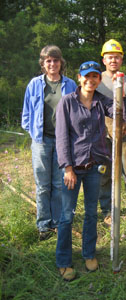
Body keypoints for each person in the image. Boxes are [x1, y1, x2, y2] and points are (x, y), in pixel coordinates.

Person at [55, 61, 126, 281]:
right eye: (86, 76)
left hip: (95, 167)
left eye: (95, 77)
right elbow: (61, 138)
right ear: (79, 78)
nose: (90, 80)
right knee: (67, 216)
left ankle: (89, 254)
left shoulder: (101, 102)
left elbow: (121, 117)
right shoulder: (67, 102)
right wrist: (67, 168)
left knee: (91, 213)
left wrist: (121, 93)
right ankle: (63, 261)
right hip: (73, 168)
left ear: (99, 79)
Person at [21, 45, 77, 241]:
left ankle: (57, 222)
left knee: (59, 183)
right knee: (43, 184)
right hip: (41, 141)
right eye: (48, 61)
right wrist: (33, 132)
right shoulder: (34, 84)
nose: (52, 64)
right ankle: (43, 224)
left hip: (63, 141)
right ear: (43, 64)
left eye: (55, 60)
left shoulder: (70, 85)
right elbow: (26, 112)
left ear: (61, 62)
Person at [98, 39, 126, 225]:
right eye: (110, 57)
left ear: (121, 59)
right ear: (104, 60)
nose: (113, 60)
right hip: (102, 136)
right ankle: (107, 210)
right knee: (104, 173)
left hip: (124, 135)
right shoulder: (97, 80)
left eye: (116, 57)